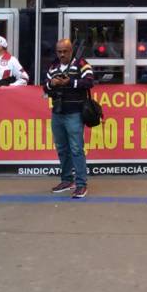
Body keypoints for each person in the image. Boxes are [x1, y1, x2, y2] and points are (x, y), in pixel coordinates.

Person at [43, 39, 93, 199]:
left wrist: (70, 82)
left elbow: (89, 82)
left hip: (74, 113)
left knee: (77, 149)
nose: (62, 54)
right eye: (59, 51)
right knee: (62, 148)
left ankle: (81, 184)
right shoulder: (53, 67)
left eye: (65, 51)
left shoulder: (81, 63)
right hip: (57, 112)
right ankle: (66, 180)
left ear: (71, 50)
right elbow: (45, 87)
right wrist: (52, 83)